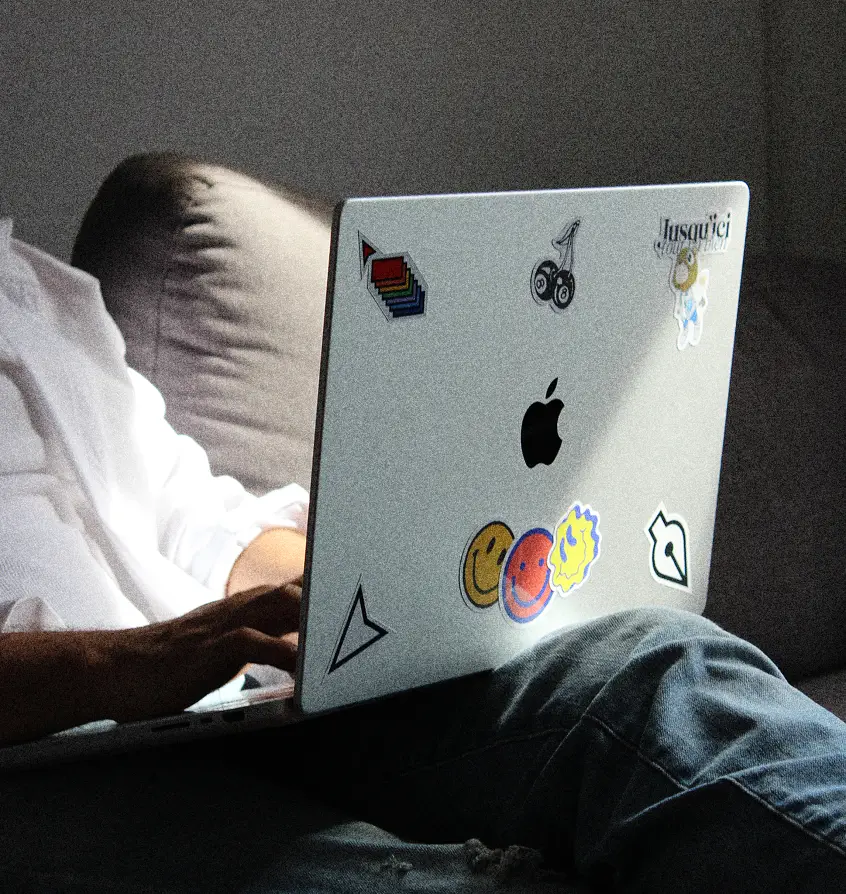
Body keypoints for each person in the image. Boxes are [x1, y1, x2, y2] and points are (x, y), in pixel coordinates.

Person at [1, 217, 844, 892]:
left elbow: (191, 517)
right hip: (44, 754)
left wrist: (361, 577)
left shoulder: (30, 289)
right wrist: (114, 663)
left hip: (219, 704)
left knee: (651, 669)